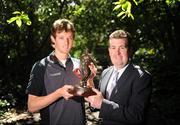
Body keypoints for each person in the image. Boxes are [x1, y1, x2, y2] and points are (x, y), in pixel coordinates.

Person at [26, 19, 86, 125]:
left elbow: (89, 96)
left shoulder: (80, 64)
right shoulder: (40, 66)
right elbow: (31, 106)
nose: (66, 42)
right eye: (61, 38)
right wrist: (59, 93)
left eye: (69, 38)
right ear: (53, 39)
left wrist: (90, 79)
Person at [85, 30, 152, 125]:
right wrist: (90, 84)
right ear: (109, 50)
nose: (117, 53)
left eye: (122, 48)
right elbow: (97, 105)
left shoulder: (141, 77)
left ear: (130, 50)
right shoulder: (105, 73)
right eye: (113, 48)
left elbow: (137, 116)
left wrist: (102, 104)